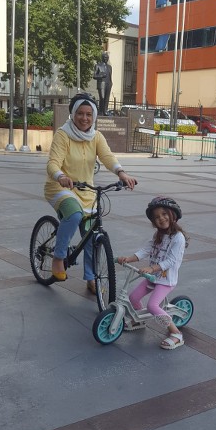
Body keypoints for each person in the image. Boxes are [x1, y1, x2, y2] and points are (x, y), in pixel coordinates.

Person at [44, 93, 136, 293]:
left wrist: (121, 173)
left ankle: (91, 277)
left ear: (94, 116)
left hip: (86, 190)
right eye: (80, 113)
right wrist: (60, 176)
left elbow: (107, 157)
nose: (84, 118)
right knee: (75, 214)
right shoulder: (63, 134)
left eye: (88, 114)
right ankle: (58, 258)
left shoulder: (96, 136)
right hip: (61, 187)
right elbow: (53, 163)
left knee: (92, 236)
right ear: (73, 113)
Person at [117, 196, 189, 351]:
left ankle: (176, 334)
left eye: (164, 214)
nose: (161, 218)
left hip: (166, 280)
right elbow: (145, 250)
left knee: (152, 306)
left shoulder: (178, 238)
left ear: (173, 215)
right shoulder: (158, 236)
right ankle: (139, 320)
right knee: (133, 298)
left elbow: (171, 261)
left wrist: (152, 268)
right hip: (152, 278)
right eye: (157, 217)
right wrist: (128, 258)